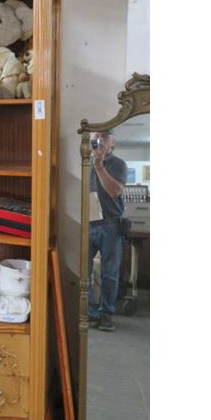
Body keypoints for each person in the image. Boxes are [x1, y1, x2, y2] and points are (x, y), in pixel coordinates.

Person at [88, 130, 128, 331]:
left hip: (111, 224)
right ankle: (89, 313)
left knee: (109, 273)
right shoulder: (84, 162)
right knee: (83, 273)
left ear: (112, 142)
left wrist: (99, 166)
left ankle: (106, 315)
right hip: (88, 223)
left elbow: (114, 191)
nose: (100, 139)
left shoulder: (118, 164)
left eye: (105, 136)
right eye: (97, 136)